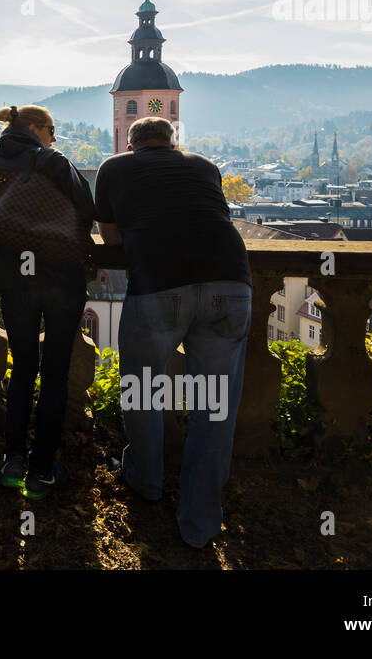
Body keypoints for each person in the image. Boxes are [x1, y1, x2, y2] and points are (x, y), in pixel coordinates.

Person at [93, 115, 251, 547]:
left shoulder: (113, 168)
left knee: (143, 389)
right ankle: (200, 524)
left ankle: (146, 481)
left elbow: (111, 242)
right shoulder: (202, 165)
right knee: (215, 406)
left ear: (131, 145)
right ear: (172, 142)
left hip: (160, 286)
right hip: (229, 282)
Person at [0, 104, 95, 499]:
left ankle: (12, 461)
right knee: (55, 371)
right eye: (52, 129)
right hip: (60, 278)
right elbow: (86, 213)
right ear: (35, 128)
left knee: (23, 368)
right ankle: (41, 471)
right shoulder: (54, 162)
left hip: (14, 280)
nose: (55, 138)